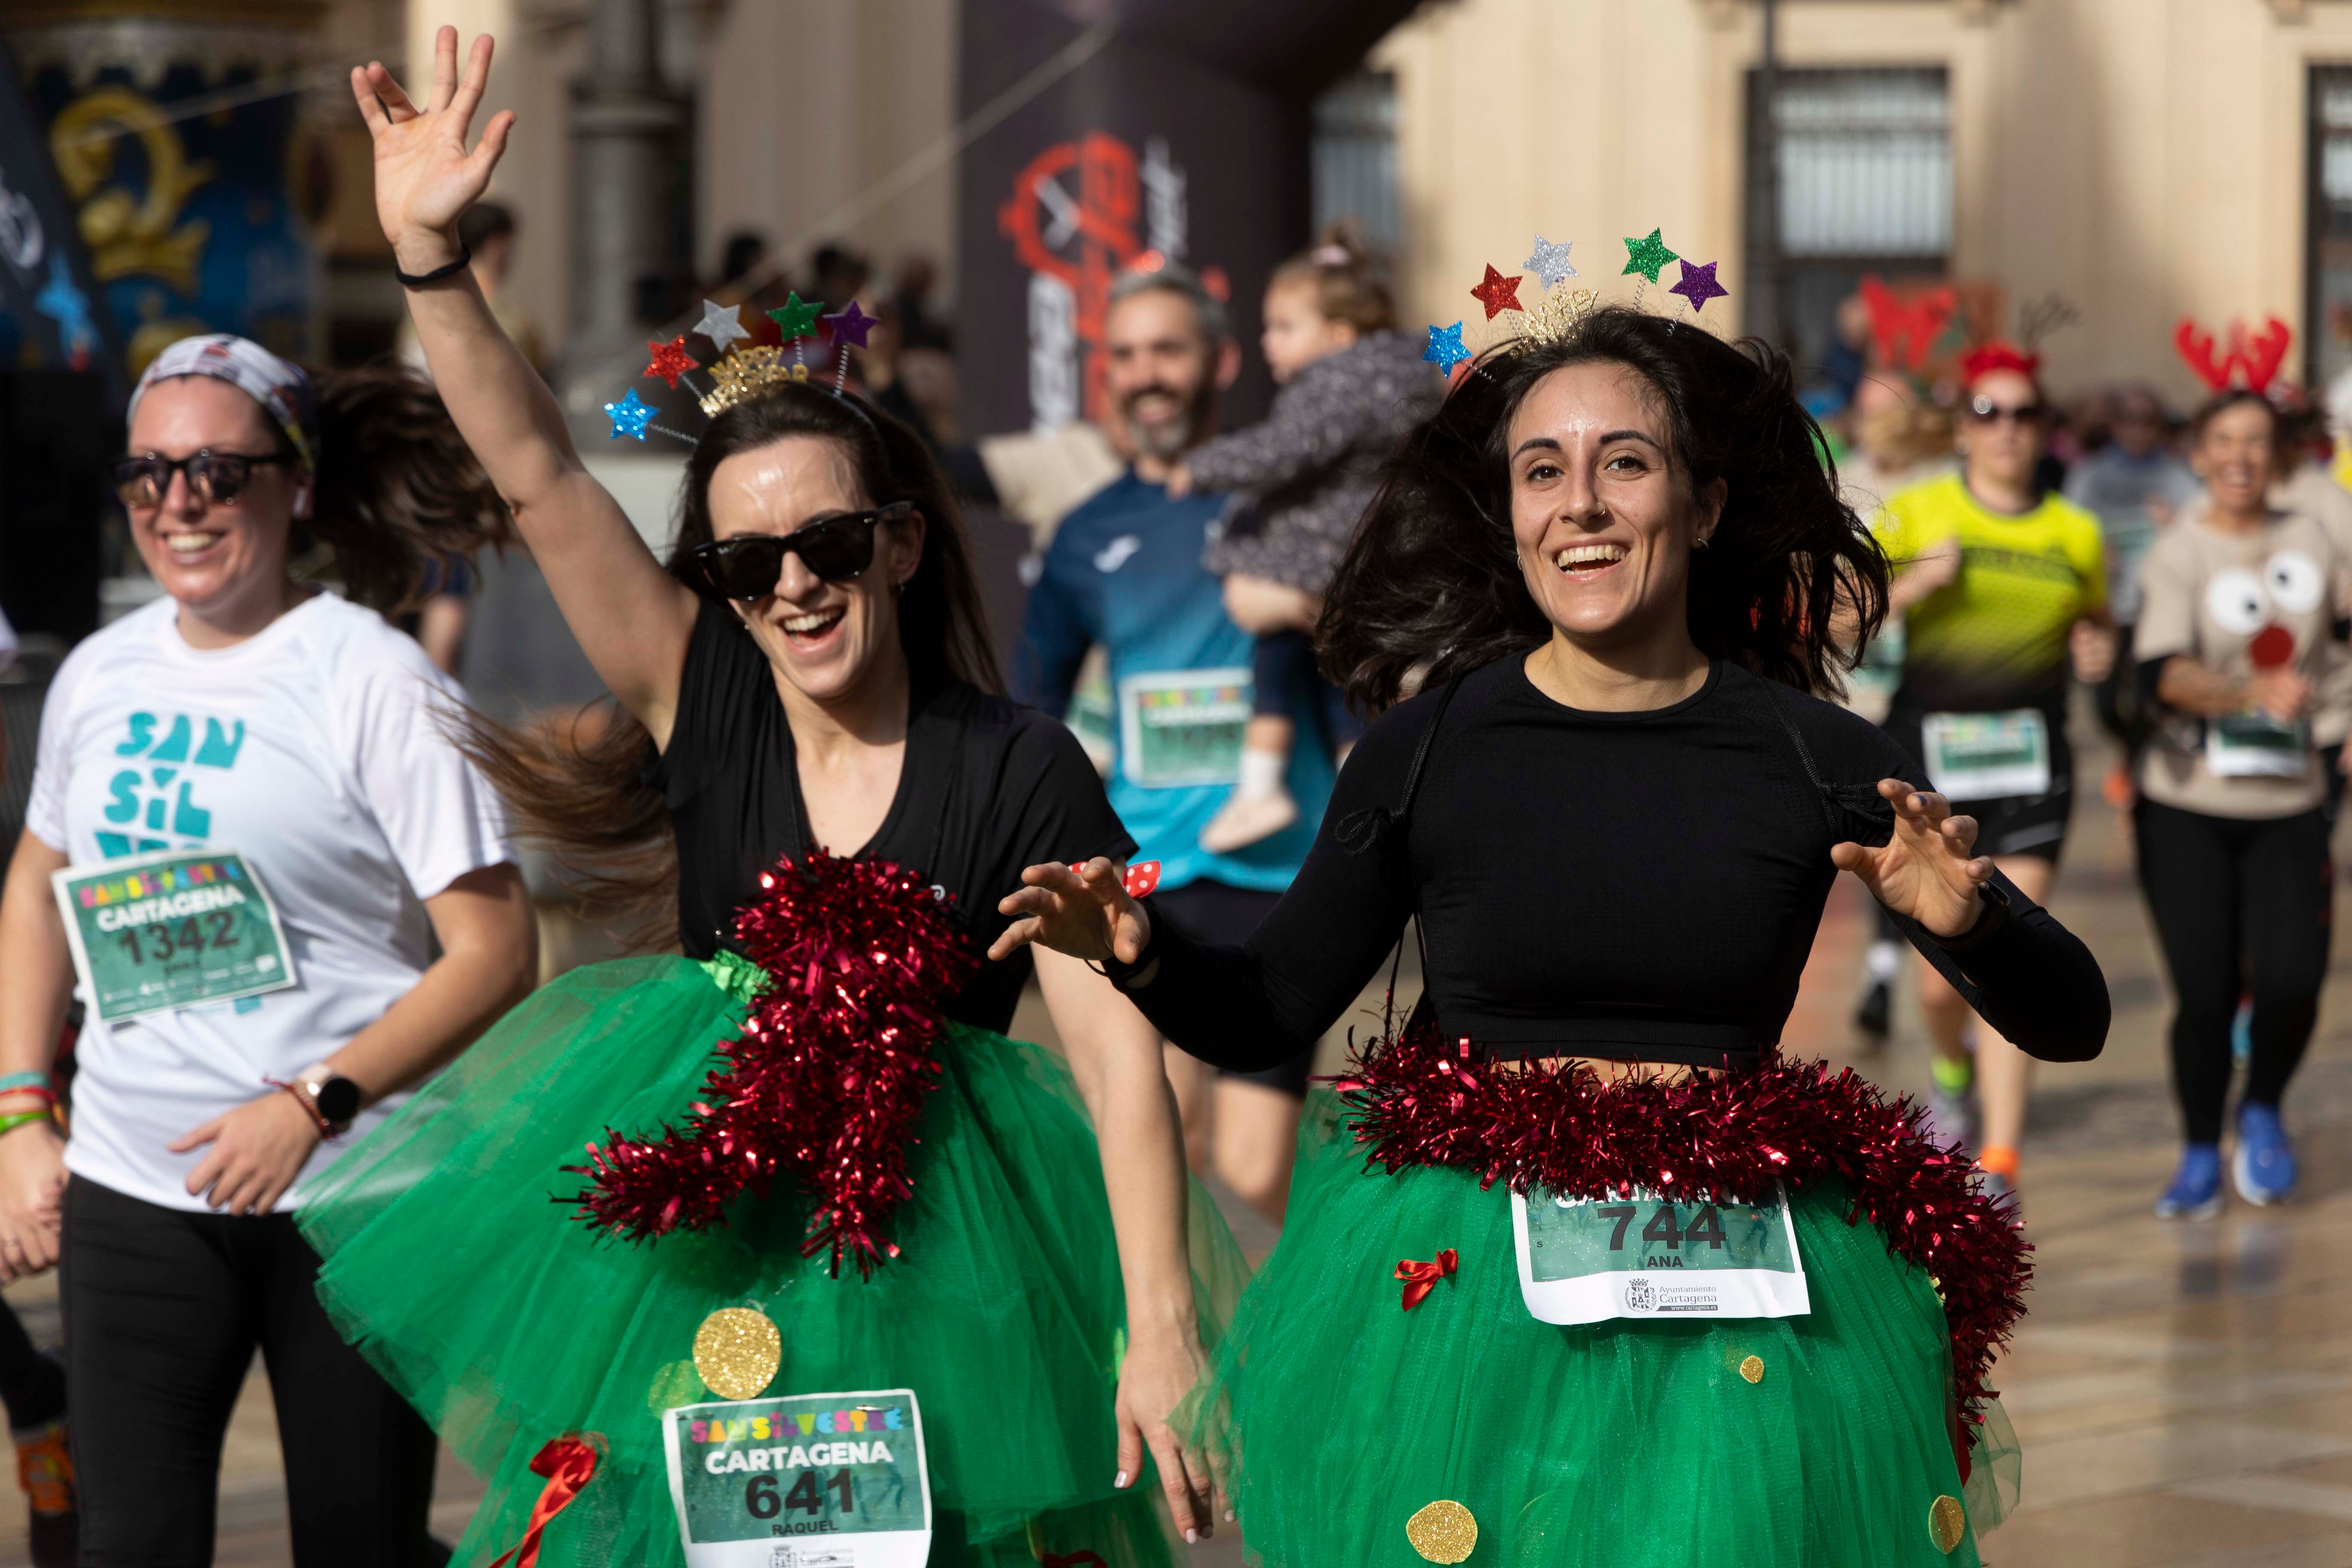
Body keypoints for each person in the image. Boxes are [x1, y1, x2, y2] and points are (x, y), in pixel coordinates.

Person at [306, 33, 1240, 1567]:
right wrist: (430, 263)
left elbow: (1119, 1067)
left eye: (827, 542)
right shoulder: (705, 692)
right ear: (722, 592)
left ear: (901, 545)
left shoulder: (1018, 764)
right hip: (700, 1267)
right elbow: (543, 473)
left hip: (945, 1276)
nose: (793, 581)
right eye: (748, 562)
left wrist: (1160, 1327)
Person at [995, 303, 2109, 1567]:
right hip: (1467, 1301)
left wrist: (1973, 915)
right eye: (1542, 470)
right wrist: (1137, 951)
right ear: (1511, 514)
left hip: (1745, 1325)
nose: (1578, 502)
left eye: (1623, 462)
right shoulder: (1427, 750)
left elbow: (2073, 1019)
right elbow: (1266, 1008)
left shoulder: (1818, 753)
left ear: (1700, 507)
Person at [0, 332, 538, 1562]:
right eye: (147, 474)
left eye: (217, 473)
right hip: (138, 1188)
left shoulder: (375, 680)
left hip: (353, 1197)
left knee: (361, 1546)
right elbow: (38, 884)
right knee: (126, 1545)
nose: (178, 504)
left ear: (295, 484)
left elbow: (499, 951)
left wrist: (313, 1100)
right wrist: (21, 1114)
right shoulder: (99, 673)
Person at [1018, 263, 1338, 1224]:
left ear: (1222, 362)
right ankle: (1191, 1362)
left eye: (1169, 349)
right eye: (1124, 354)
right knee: (1164, 1143)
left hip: (1275, 876)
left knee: (1251, 1174)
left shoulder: (1289, 506)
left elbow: (1375, 658)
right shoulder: (1086, 534)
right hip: (1143, 876)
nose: (1146, 373)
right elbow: (1031, 706)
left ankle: (1249, 1359)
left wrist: (1314, 606)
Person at [1872, 343, 2113, 1198]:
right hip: (1931, 774)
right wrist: (1910, 588)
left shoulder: (2076, 533)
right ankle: (1949, 1074)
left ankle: (2001, 1159)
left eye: (2023, 414)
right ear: (1964, 427)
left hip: (2032, 770)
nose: (2006, 430)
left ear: (2044, 429)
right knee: (1942, 982)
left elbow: (2098, 626)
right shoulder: (1918, 510)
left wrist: (2098, 650)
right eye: (1988, 412)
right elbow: (1835, 619)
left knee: (2015, 949)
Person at [2137, 390, 2346, 1216]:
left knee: (2294, 978)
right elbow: (2162, 671)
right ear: (2198, 453)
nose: (2239, 457)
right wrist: (2245, 689)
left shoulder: (2315, 535)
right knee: (2205, 989)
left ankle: (2261, 1106)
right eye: (2223, 439)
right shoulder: (2177, 552)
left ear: (2278, 455)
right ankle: (2197, 1147)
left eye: (2256, 442)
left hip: (2291, 799)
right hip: (2186, 799)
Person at [1167, 228, 1438, 854]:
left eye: (1285, 326)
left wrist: (1203, 466)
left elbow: (1282, 451)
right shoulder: (1390, 382)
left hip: (1310, 561)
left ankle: (1262, 789)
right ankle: (1362, 784)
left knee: (1277, 668)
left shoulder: (1335, 386)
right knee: (1337, 681)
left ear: (1339, 336)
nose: (1268, 342)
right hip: (1350, 559)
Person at [2064, 386, 2200, 798]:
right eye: (2129, 419)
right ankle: (2129, 749)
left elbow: (2201, 531)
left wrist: (2175, 528)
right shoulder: (2090, 475)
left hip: (2157, 607)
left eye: (2148, 421)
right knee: (2105, 700)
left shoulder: (2179, 477)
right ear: (2115, 425)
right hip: (2107, 604)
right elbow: (2069, 530)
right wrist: (2092, 554)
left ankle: (2137, 766)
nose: (2138, 430)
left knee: (2149, 692)